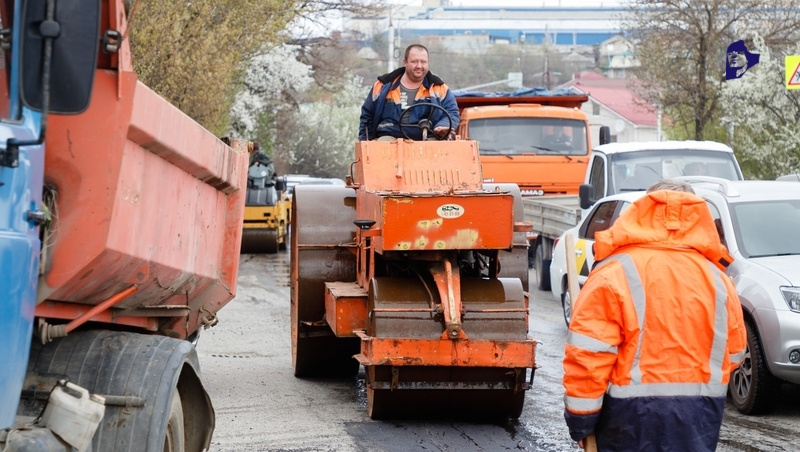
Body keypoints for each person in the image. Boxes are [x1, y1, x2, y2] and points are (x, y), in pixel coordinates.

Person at [563, 178, 746, 451]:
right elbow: (735, 353)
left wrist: (582, 422)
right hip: (697, 421)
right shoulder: (719, 281)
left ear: (643, 211)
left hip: (627, 422)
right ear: (697, 216)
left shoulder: (613, 273)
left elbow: (588, 358)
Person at [358, 44, 460, 141]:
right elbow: (367, 116)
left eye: (423, 62)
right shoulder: (382, 86)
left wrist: (443, 126)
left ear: (428, 62)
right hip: (390, 137)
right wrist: (365, 142)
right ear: (405, 62)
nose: (419, 66)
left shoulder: (440, 88)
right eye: (414, 61)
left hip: (429, 137)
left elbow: (452, 112)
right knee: (382, 147)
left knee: (438, 149)